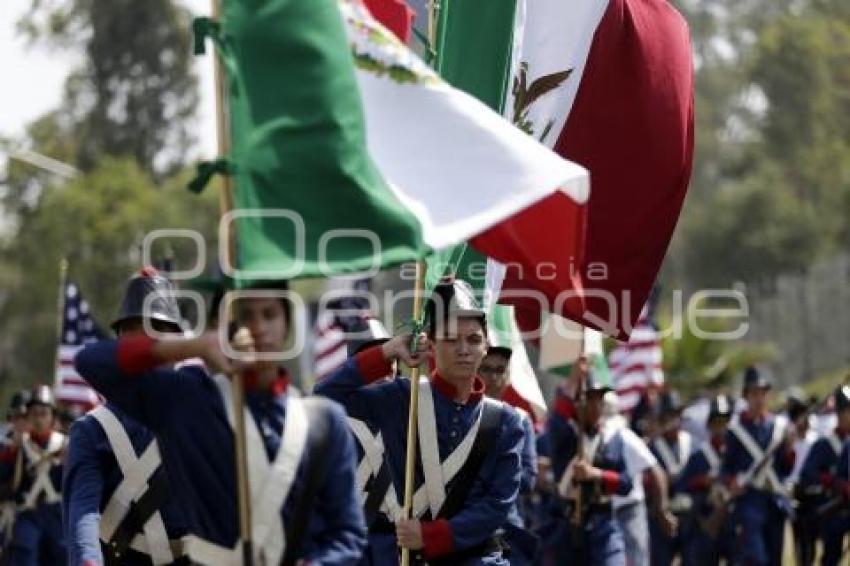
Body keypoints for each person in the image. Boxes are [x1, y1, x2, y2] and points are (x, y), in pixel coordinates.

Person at [74, 273, 367, 565]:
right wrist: (191, 346)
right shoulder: (187, 401)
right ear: (220, 327)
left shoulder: (325, 421)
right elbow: (90, 360)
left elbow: (347, 535)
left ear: (287, 324)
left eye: (270, 314)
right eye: (244, 316)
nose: (259, 327)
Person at [315, 278, 525, 565]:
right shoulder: (401, 397)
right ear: (431, 343)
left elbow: (497, 504)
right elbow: (325, 397)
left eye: (474, 340)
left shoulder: (506, 421)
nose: (464, 349)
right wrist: (386, 352)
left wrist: (433, 536)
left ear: (486, 346)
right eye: (451, 339)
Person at [63, 268, 190, 565]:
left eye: (158, 328)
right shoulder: (92, 430)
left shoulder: (203, 414)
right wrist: (88, 559)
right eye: (135, 330)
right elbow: (83, 511)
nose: (146, 342)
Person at [543, 368, 633, 566]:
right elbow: (557, 416)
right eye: (588, 399)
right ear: (577, 403)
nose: (595, 405)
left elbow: (626, 484)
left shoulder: (612, 439)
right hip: (566, 526)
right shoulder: (565, 434)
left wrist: (597, 474)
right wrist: (574, 377)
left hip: (603, 525)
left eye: (599, 400)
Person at [721, 366, 795, 566]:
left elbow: (785, 468)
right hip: (749, 500)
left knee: (774, 558)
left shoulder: (778, 428)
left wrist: (789, 449)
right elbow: (725, 470)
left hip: (774, 500)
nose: (759, 398)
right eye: (754, 393)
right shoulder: (735, 431)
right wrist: (733, 482)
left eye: (763, 393)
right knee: (756, 558)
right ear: (746, 396)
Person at [480, 345, 540, 564]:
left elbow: (528, 479)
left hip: (507, 525)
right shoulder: (461, 413)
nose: (493, 377)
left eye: (500, 370)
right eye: (486, 369)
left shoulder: (521, 419)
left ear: (508, 376)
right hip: (465, 524)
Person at [0, 385, 67, 565]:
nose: (38, 419)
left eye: (44, 413)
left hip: (57, 519)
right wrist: (11, 452)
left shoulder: (64, 445)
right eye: (34, 413)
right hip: (28, 516)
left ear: (53, 417)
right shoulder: (19, 445)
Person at [678, 394, 735, 565]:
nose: (722, 427)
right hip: (706, 520)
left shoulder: (737, 453)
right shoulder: (698, 456)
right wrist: (702, 482)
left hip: (733, 520)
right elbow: (683, 486)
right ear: (710, 425)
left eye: (725, 422)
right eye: (717, 422)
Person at [797, 385, 850, 566]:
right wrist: (833, 482)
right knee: (830, 557)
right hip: (834, 509)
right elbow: (807, 475)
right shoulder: (824, 445)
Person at [648, 390, 692, 566]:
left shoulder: (691, 443)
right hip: (661, 517)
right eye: (667, 416)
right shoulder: (652, 448)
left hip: (689, 516)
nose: (672, 421)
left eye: (675, 415)